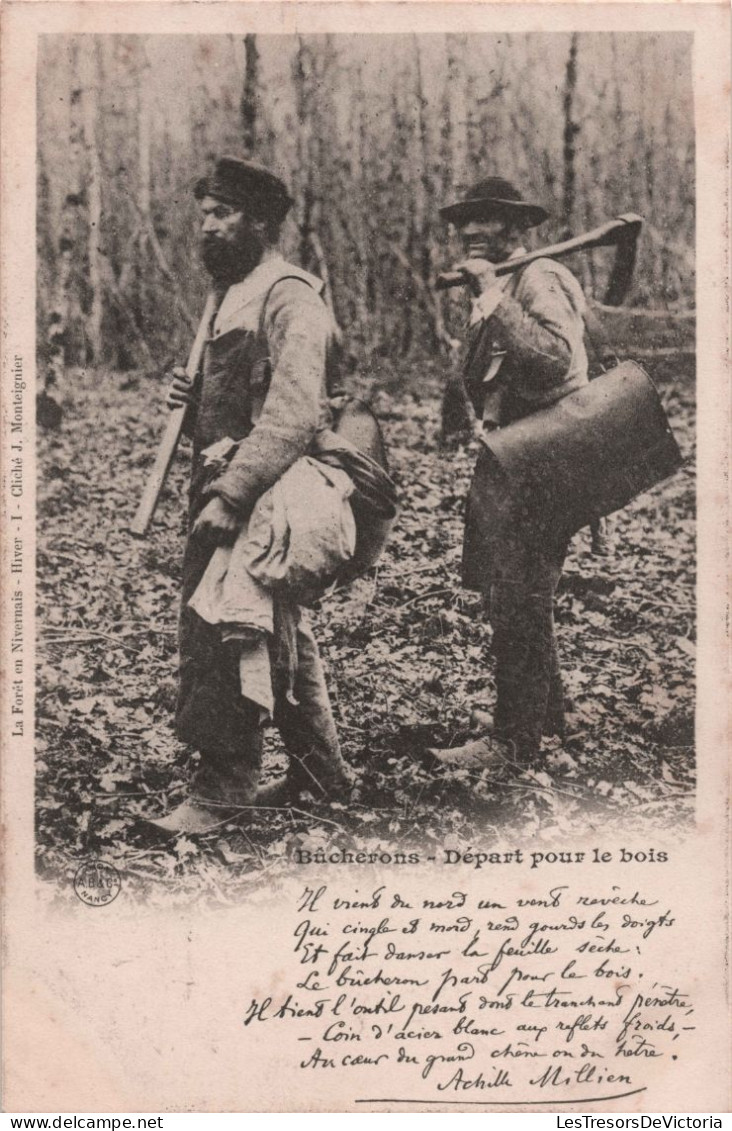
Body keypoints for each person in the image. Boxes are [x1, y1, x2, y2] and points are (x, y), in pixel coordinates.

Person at [149, 155, 353, 835]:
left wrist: (234, 494)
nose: (207, 227)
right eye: (203, 214)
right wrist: (195, 397)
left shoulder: (289, 294)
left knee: (225, 631)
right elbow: (238, 401)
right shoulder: (228, 293)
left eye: (224, 213)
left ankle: (222, 788)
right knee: (281, 630)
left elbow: (295, 409)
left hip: (268, 496)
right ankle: (323, 774)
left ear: (261, 221)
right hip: (225, 487)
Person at [432, 176, 589, 769]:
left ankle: (514, 740)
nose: (471, 230)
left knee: (518, 594)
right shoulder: (498, 284)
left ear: (517, 229)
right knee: (518, 589)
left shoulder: (538, 278)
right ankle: (547, 713)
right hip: (516, 456)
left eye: (488, 219)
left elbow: (554, 360)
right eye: (465, 219)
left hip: (548, 459)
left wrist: (495, 299)